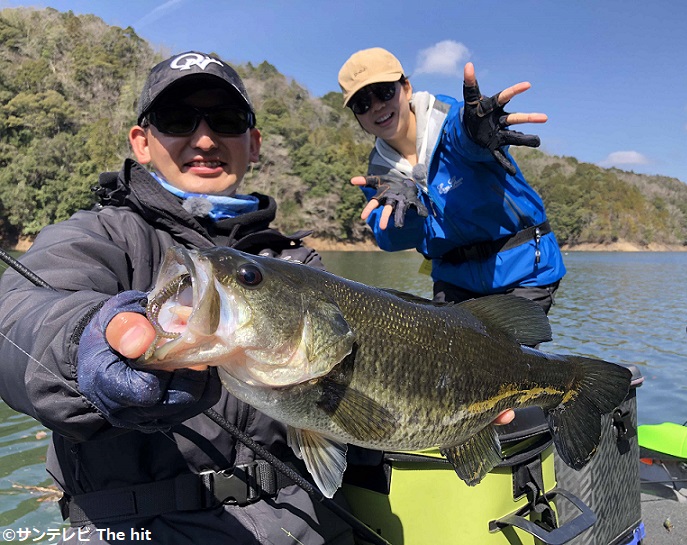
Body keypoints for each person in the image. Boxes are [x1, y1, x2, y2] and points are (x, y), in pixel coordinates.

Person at [0, 51, 356, 545]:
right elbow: (19, 320)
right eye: (177, 120)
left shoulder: (300, 264)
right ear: (141, 143)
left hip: (307, 528)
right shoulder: (95, 235)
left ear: (253, 144)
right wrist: (85, 346)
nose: (205, 139)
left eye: (227, 122)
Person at [338, 47, 566, 312]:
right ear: (357, 116)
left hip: (525, 271)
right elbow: (392, 239)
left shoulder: (453, 123)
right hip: (454, 282)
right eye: (362, 103)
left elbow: (468, 138)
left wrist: (477, 130)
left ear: (407, 87)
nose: (376, 106)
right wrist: (410, 210)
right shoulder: (378, 177)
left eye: (384, 91)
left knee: (508, 353)